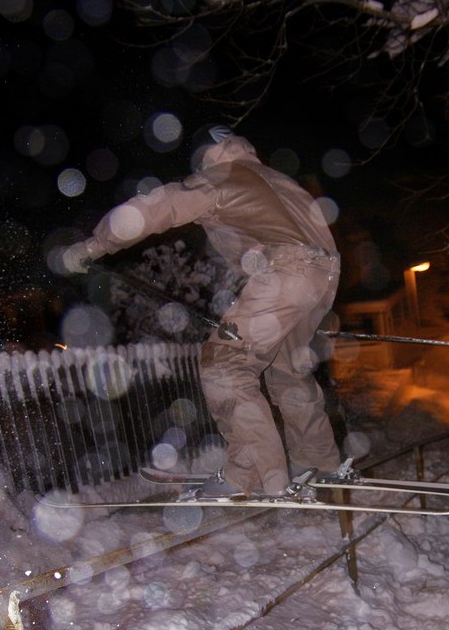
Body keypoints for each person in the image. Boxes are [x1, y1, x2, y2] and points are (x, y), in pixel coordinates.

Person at [60, 127, 342, 500]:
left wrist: (93, 246)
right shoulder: (277, 180)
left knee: (224, 366)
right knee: (287, 368)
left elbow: (158, 207)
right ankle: (319, 460)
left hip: (288, 272)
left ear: (210, 154)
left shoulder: (220, 178)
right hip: (324, 272)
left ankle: (251, 475)